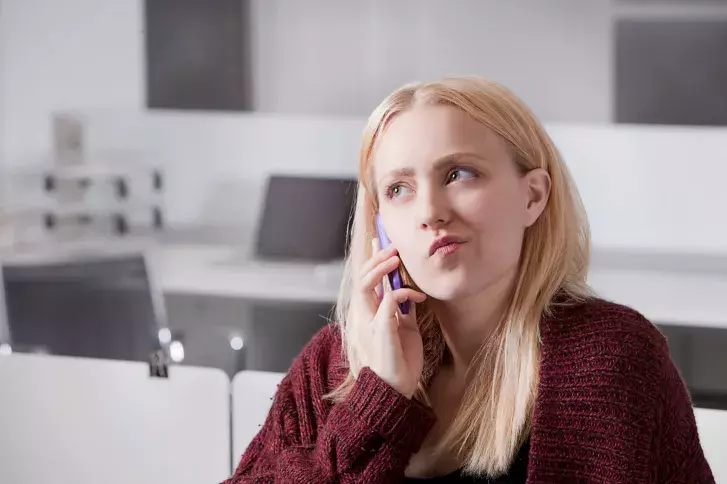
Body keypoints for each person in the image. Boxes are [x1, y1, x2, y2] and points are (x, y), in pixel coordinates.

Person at [224, 77, 714, 483]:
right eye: (399, 189)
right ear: (379, 225)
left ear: (533, 196)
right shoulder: (334, 364)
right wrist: (380, 398)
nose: (430, 212)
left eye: (459, 174)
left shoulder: (617, 358)